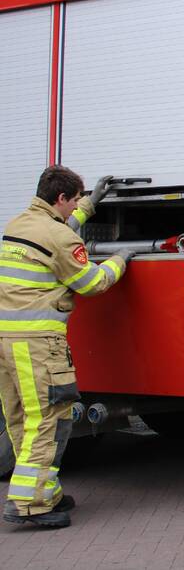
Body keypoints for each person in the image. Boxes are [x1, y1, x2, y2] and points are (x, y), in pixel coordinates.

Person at [0, 166, 130, 529]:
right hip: (38, 344)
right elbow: (92, 283)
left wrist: (91, 203)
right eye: (74, 200)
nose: (75, 206)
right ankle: (30, 505)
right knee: (48, 418)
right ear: (60, 198)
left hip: (5, 342)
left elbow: (60, 228)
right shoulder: (59, 236)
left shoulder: (19, 224)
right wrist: (121, 260)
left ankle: (46, 490)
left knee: (20, 418)